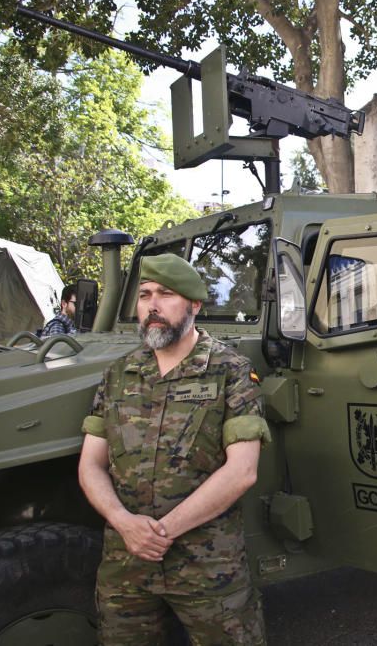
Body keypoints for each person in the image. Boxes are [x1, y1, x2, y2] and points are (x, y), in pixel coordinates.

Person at [78, 253, 271, 644]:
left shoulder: (229, 370)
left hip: (207, 566)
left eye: (166, 294)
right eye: (145, 294)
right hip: (125, 566)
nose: (152, 305)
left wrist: (161, 532)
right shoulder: (119, 375)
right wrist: (125, 523)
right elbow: (91, 465)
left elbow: (242, 470)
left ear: (194, 305)